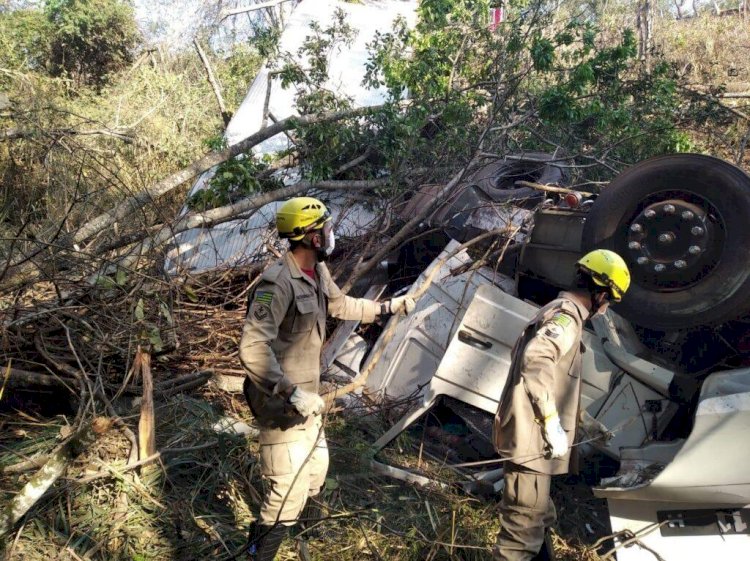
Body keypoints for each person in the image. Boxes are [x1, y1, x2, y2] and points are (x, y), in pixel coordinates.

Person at [239, 196, 415, 560]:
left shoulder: (316, 272)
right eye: (326, 228)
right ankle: (259, 549)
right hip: (282, 405)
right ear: (310, 237)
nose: (331, 233)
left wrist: (386, 308)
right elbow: (253, 348)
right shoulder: (277, 283)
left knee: (316, 472)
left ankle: (297, 539)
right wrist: (290, 392)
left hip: (308, 403)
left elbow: (341, 305)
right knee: (285, 492)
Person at [492, 249, 631, 561]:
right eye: (610, 300)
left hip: (532, 441)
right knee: (521, 533)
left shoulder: (560, 311)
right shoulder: (567, 318)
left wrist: (583, 421)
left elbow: (554, 383)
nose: (606, 308)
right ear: (600, 293)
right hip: (532, 444)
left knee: (540, 519)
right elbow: (535, 362)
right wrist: (551, 423)